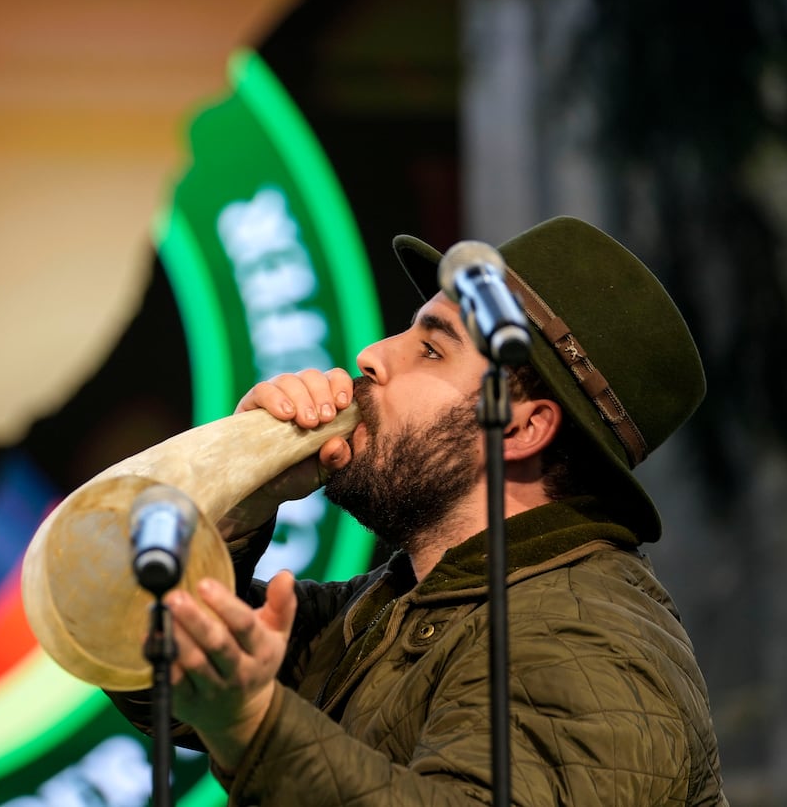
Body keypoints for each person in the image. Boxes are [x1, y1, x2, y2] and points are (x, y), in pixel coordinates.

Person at [108, 215, 726, 805]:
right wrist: (238, 497)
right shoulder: (409, 601)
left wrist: (252, 722)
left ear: (521, 428)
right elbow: (147, 666)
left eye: (432, 350)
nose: (374, 355)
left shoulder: (585, 646)